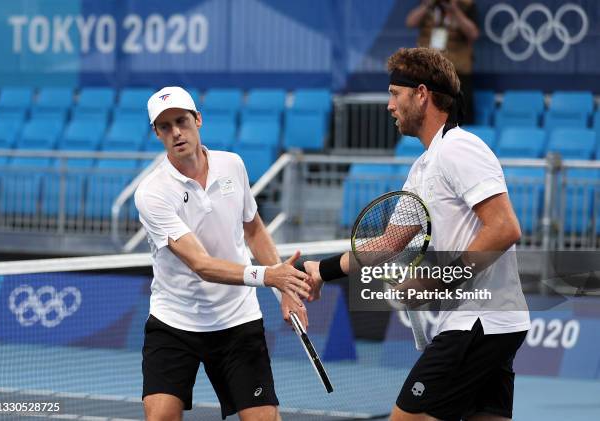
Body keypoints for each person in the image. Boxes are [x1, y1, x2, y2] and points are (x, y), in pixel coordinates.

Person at [304, 48, 530, 421]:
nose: (389, 106)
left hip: (477, 321)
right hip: (487, 324)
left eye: (395, 94)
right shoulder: (424, 167)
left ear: (422, 94)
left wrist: (436, 280)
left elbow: (505, 227)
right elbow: (388, 243)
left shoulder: (460, 149)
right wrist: (322, 270)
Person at [134, 86, 311, 421]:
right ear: (156, 133)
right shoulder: (152, 193)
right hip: (175, 321)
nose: (176, 132)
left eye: (181, 121)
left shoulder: (233, 165)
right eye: (165, 126)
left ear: (198, 120)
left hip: (236, 320)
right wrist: (268, 276)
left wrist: (284, 287)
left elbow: (254, 229)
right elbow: (200, 264)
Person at [406, 0, 479, 125]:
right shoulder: (428, 4)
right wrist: (427, 5)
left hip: (457, 73)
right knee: (426, 117)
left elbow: (473, 34)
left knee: (460, 118)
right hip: (428, 72)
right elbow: (410, 22)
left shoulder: (466, 5)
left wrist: (455, 11)